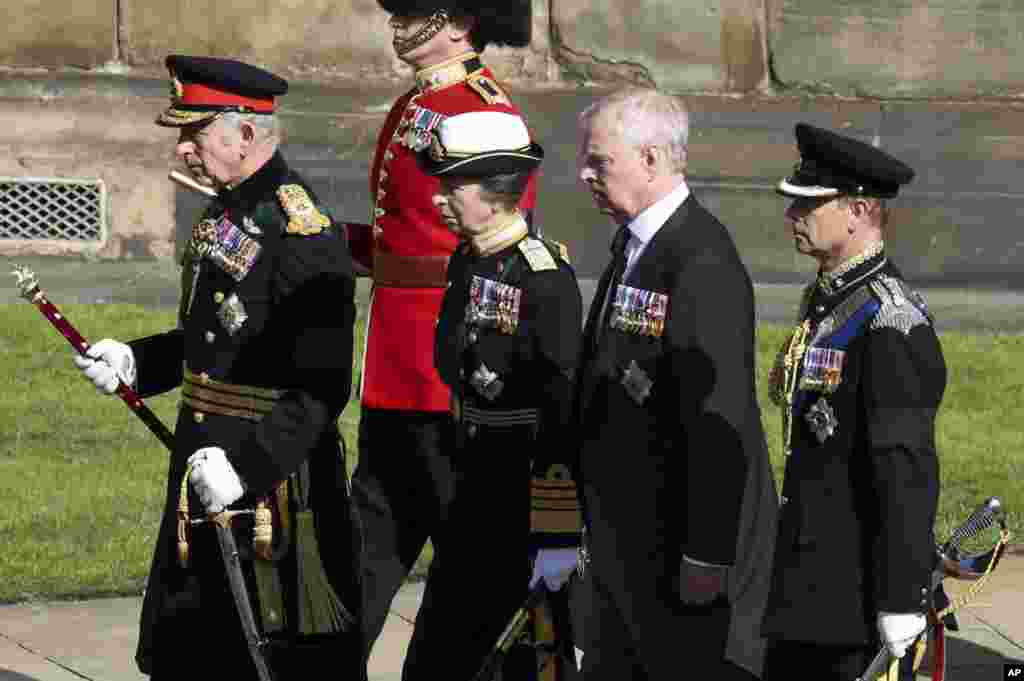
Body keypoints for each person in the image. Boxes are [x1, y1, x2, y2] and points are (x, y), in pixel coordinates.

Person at [73, 55, 362, 680]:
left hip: (270, 483)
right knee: (196, 651)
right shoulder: (227, 209)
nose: (182, 151)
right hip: (204, 460)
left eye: (194, 134)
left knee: (273, 655)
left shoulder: (300, 232)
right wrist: (135, 361)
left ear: (248, 135)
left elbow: (322, 386)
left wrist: (249, 469)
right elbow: (211, 338)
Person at [342, 0, 540, 668]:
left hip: (442, 365)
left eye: (419, 12)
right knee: (368, 543)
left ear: (460, 23)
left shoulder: (483, 108)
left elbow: (499, 244)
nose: (402, 24)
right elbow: (397, 231)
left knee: (463, 560)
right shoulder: (415, 102)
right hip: (395, 360)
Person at [572, 87, 778, 680]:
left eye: (599, 161)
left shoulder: (701, 259)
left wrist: (706, 553)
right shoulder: (637, 245)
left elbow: (721, 416)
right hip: (625, 543)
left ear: (652, 159)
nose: (585, 174)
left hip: (676, 550)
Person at [761, 123, 945, 681]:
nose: (793, 218)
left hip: (856, 599)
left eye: (809, 206)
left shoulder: (891, 323)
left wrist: (900, 598)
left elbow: (903, 469)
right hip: (807, 587)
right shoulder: (827, 297)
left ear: (859, 210)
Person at [416, 109, 582, 680]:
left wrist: (558, 531)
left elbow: (562, 410)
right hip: (469, 481)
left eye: (453, 184)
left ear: (496, 191)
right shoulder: (468, 259)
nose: (440, 197)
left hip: (519, 497)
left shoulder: (544, 277)